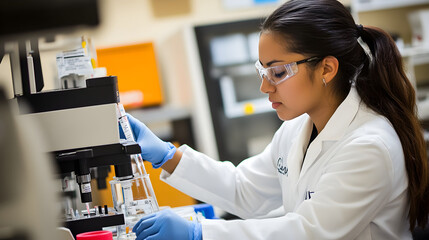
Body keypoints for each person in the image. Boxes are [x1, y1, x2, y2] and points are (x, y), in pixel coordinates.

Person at [128, 0, 429, 239]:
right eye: (263, 71)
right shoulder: (296, 129)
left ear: (326, 69)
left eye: (279, 72)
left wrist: (199, 233)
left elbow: (308, 232)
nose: (265, 87)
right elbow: (244, 190)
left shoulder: (370, 145)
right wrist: (168, 156)